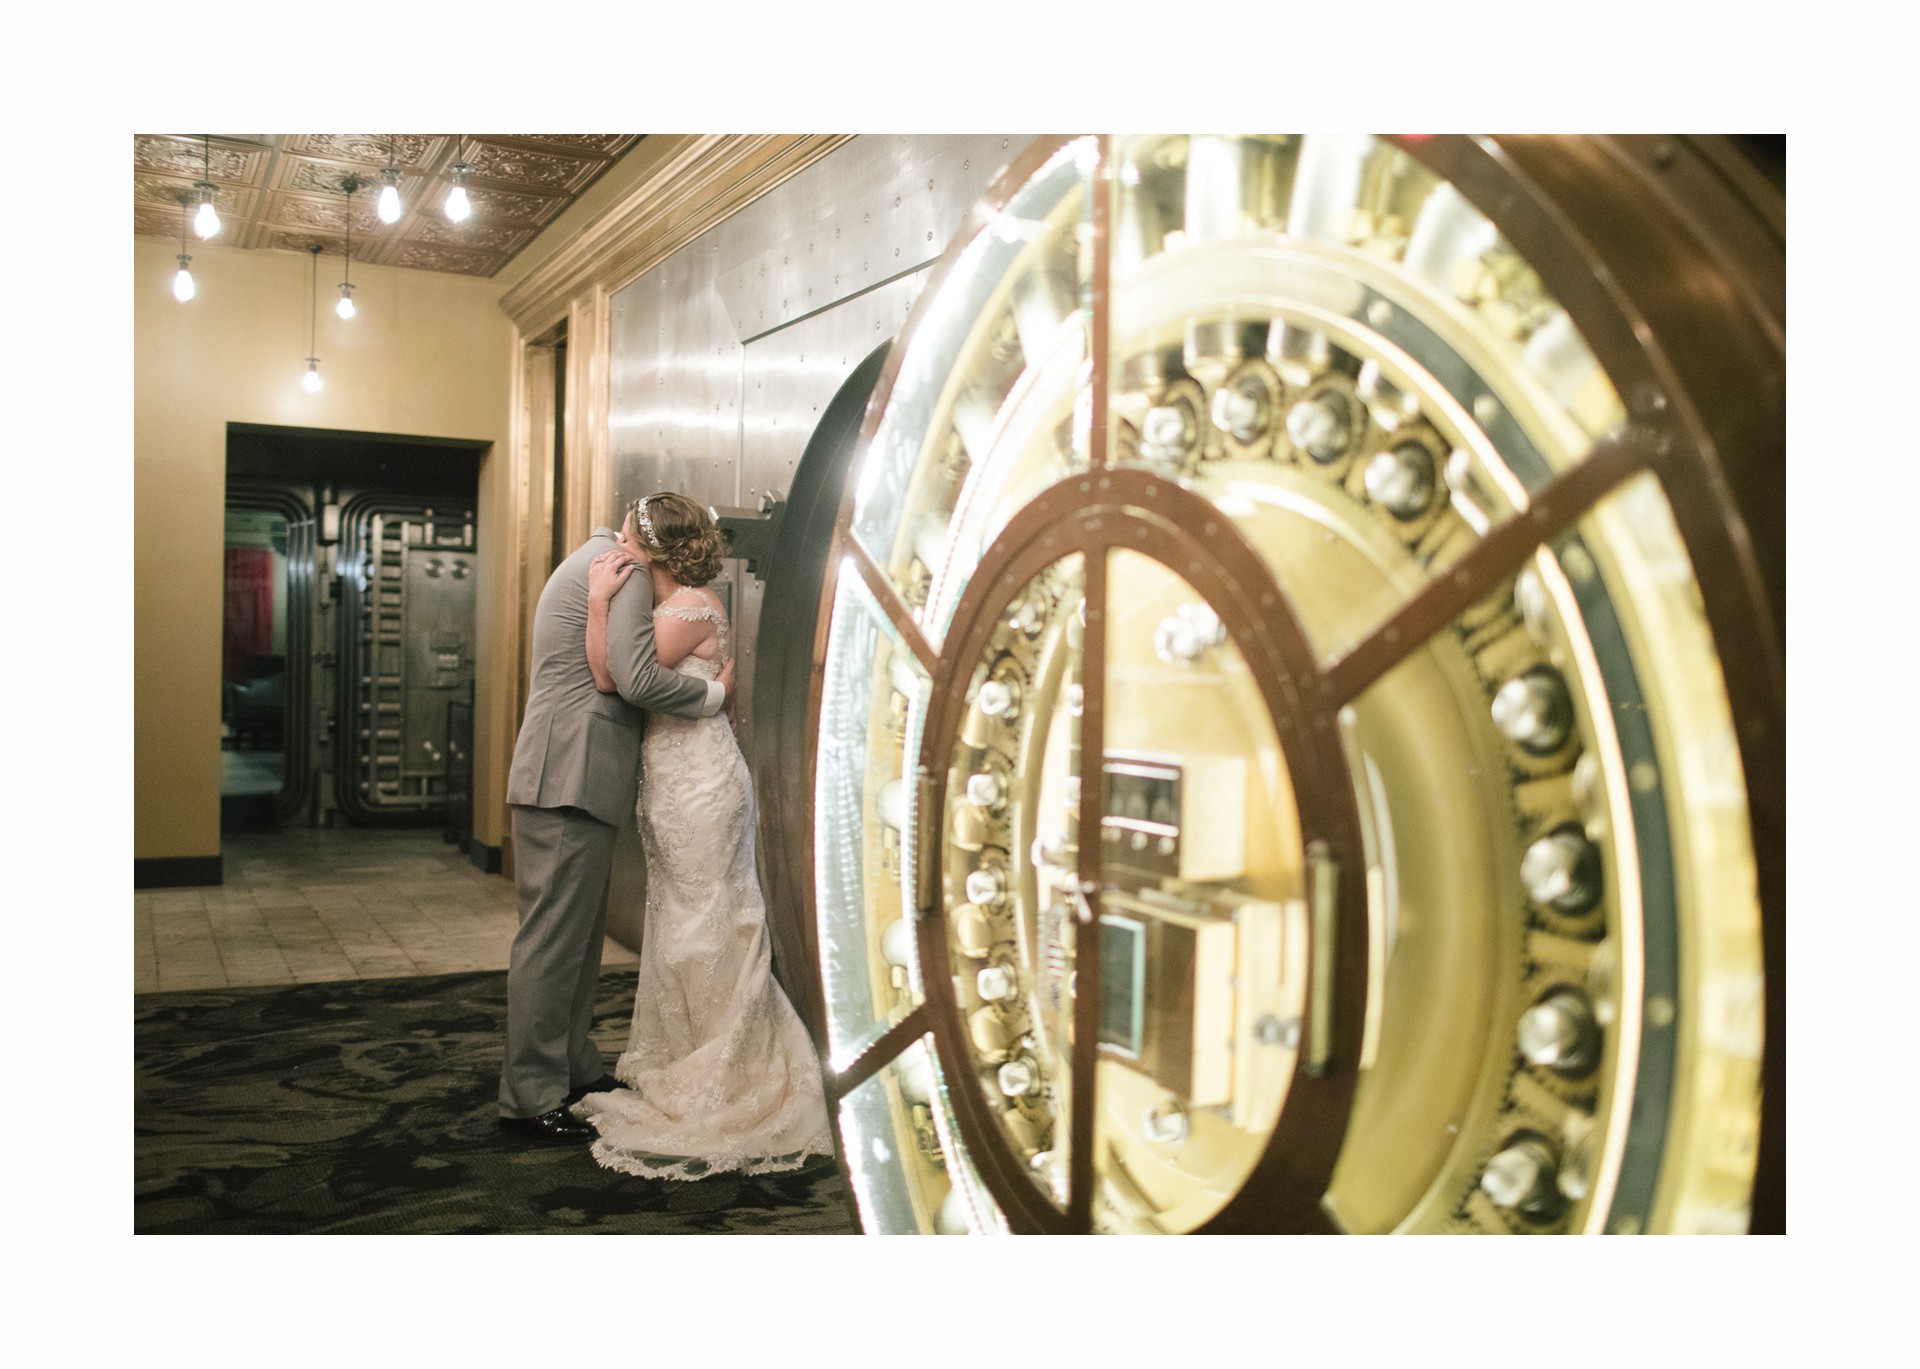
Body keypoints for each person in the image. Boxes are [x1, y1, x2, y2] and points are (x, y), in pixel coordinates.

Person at [569, 492, 832, 1178]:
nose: (617, 538)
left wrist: (599, 606)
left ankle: (728, 1062)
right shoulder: (673, 603)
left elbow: (613, 677)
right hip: (672, 777)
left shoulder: (689, 605)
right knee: (680, 913)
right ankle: (690, 1050)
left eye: (627, 529)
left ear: (650, 546)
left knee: (706, 918)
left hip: (703, 785)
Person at [497, 503, 734, 1143]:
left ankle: (572, 1070)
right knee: (551, 942)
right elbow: (627, 676)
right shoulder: (622, 571)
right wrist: (711, 696)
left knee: (571, 939)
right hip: (569, 771)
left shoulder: (597, 560)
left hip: (569, 770)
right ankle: (531, 1097)